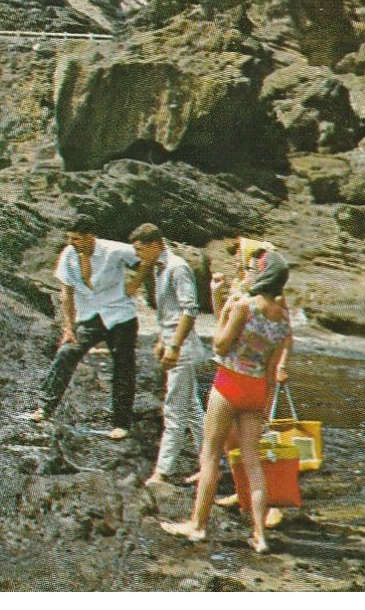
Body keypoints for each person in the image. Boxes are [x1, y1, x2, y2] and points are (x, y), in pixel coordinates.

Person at [162, 249, 293, 554]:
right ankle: (260, 536)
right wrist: (265, 406)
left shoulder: (245, 307)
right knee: (253, 463)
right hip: (257, 389)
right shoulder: (283, 318)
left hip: (230, 382)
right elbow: (273, 369)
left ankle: (198, 525)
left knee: (210, 454)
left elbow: (220, 343)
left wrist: (220, 306)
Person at [27, 216, 142, 440]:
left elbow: (150, 258)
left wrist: (136, 283)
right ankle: (44, 407)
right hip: (89, 317)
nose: (72, 242)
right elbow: (66, 294)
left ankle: (121, 423)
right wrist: (69, 327)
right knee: (66, 353)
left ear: (90, 237)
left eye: (77, 238)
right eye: (69, 238)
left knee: (123, 366)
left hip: (120, 316)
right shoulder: (68, 255)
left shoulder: (114, 250)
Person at [128, 223, 207, 487]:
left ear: (154, 245)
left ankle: (162, 472)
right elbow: (169, 313)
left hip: (183, 349)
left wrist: (173, 345)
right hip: (174, 342)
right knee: (194, 411)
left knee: (174, 410)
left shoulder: (177, 267)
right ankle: (211, 465)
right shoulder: (158, 268)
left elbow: (189, 310)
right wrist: (163, 340)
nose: (138, 256)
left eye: (140, 250)